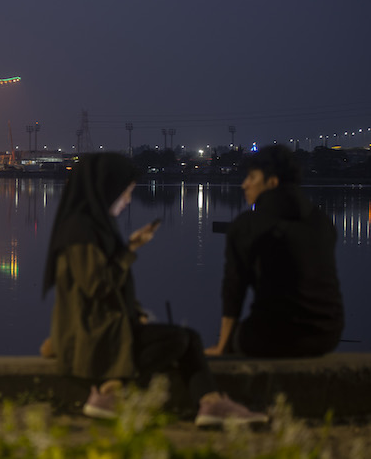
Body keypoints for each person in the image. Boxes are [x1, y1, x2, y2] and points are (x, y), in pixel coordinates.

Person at [42, 153, 267, 427]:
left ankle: (210, 403)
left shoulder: (95, 228)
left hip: (105, 331)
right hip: (95, 338)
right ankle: (110, 391)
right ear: (107, 190)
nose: (127, 201)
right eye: (125, 193)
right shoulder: (80, 231)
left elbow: (107, 285)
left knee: (187, 339)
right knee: (181, 341)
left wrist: (130, 256)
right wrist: (129, 251)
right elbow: (97, 285)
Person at [205, 145, 344, 358]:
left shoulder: (246, 225)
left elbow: (234, 288)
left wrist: (223, 345)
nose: (244, 185)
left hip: (273, 336)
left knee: (240, 336)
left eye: (251, 177)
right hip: (328, 336)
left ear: (272, 181)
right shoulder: (322, 221)